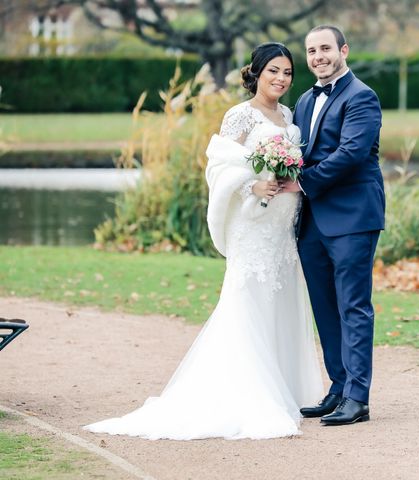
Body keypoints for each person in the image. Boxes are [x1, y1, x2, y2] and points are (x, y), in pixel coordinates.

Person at [83, 42, 323, 441]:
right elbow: (219, 170)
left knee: (280, 301)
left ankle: (285, 389)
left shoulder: (289, 114)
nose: (281, 79)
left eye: (287, 73)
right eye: (273, 72)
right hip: (253, 226)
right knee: (247, 301)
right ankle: (247, 395)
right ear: (257, 73)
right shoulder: (239, 116)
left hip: (282, 227)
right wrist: (253, 185)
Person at [282, 25, 385, 425]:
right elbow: (301, 153)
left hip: (353, 217)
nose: (318, 56)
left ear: (343, 50)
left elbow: (352, 154)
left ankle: (358, 398)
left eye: (325, 48)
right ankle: (338, 388)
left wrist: (302, 181)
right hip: (311, 222)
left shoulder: (362, 97)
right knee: (325, 308)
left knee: (353, 306)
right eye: (311, 51)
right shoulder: (306, 100)